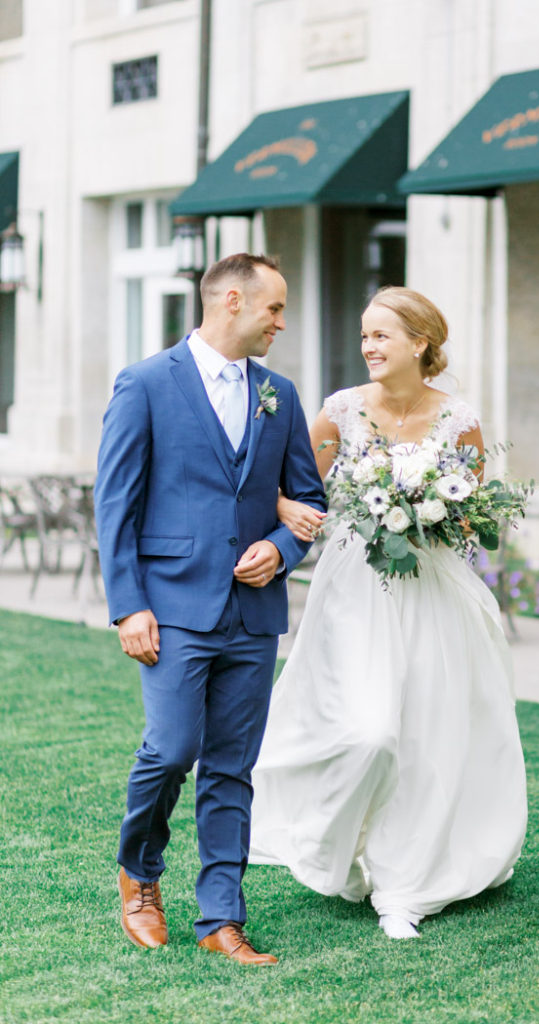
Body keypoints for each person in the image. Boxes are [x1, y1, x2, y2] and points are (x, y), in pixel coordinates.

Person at [250, 286, 527, 940]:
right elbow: (283, 482)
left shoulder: (458, 420)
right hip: (353, 592)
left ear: (420, 342)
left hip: (432, 592)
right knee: (367, 731)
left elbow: (473, 515)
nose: (368, 346)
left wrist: (434, 511)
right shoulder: (340, 412)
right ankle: (332, 844)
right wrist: (289, 510)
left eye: (381, 335)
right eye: (365, 335)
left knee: (428, 736)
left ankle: (406, 885)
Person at [94, 253, 326, 965]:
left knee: (232, 766)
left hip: (252, 616)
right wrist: (129, 606)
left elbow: (309, 500)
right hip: (170, 607)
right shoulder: (145, 384)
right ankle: (140, 874)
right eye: (274, 309)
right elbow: (115, 503)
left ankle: (221, 917)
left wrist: (282, 549)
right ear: (231, 299)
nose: (281, 323)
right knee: (172, 748)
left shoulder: (279, 396)